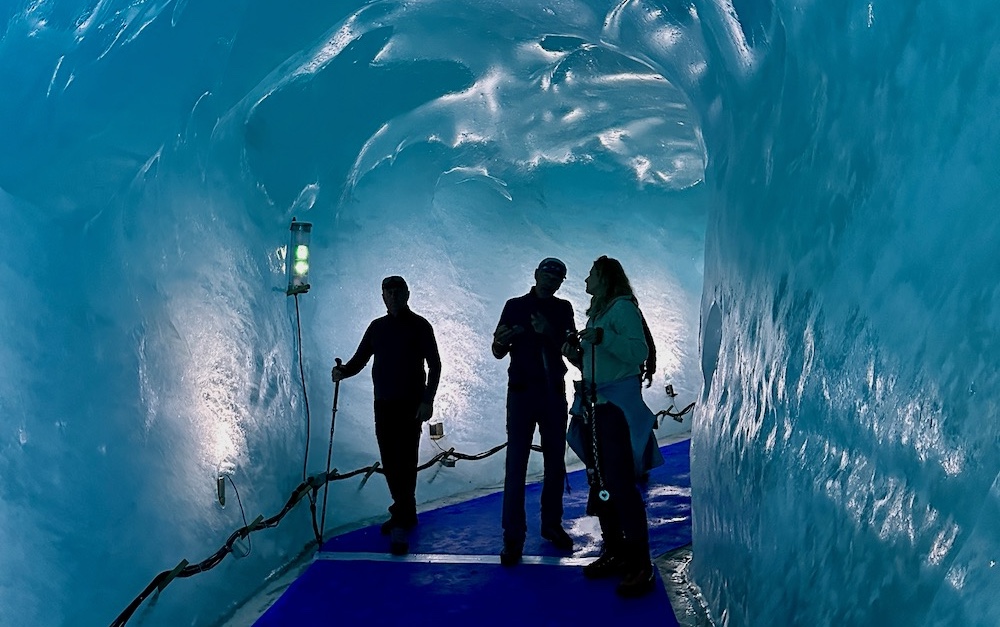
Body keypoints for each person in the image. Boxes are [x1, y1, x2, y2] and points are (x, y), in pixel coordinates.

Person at [562, 255, 664, 598]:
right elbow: (601, 363)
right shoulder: (602, 313)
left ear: (605, 277)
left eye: (591, 273)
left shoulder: (621, 309)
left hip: (615, 412)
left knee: (619, 485)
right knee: (601, 483)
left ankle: (640, 564)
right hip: (597, 410)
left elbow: (637, 352)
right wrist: (575, 356)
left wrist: (602, 337)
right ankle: (617, 551)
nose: (586, 278)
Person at [332, 275, 441, 556]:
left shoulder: (420, 326)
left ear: (407, 293)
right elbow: (360, 359)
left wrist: (427, 401)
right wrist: (343, 371)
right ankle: (406, 511)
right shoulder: (377, 328)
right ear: (382, 296)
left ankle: (401, 521)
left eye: (396, 291)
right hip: (383, 404)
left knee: (405, 460)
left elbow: (435, 365)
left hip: (409, 404)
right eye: (387, 292)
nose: (392, 296)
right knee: (392, 461)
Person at [492, 257, 577, 566]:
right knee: (516, 464)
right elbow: (498, 350)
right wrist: (501, 342)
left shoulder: (563, 309)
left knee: (555, 462)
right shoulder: (514, 306)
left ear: (560, 282)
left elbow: (571, 349)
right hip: (521, 394)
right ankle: (513, 537)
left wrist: (547, 332)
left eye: (557, 277)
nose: (551, 280)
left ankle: (551, 525)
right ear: (536, 274)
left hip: (553, 393)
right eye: (548, 274)